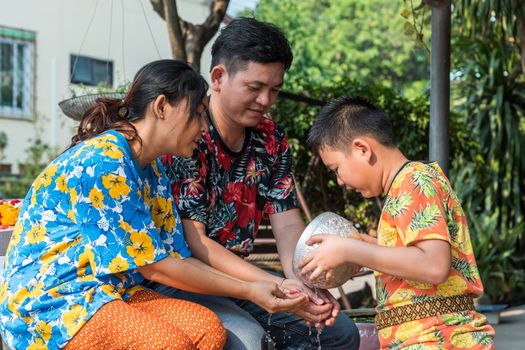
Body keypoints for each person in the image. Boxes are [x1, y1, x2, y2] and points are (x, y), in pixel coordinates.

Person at [0, 59, 308, 350]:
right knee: (169, 343)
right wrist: (248, 290)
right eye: (198, 113)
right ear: (161, 107)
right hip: (53, 303)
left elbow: (177, 258)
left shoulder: (154, 169)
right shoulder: (104, 161)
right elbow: (155, 266)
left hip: (112, 294)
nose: (203, 128)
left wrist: (263, 286)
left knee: (207, 330)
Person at [153, 18, 360, 349]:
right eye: (254, 87)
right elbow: (196, 243)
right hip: (182, 280)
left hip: (243, 277)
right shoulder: (188, 134)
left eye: (274, 90)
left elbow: (288, 222)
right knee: (249, 340)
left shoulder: (272, 138)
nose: (266, 100)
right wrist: (275, 284)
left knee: (339, 332)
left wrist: (302, 283)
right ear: (218, 78)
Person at [300, 96, 496, 349]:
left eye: (335, 168)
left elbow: (434, 265)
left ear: (362, 149)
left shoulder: (414, 181)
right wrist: (364, 249)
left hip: (439, 339)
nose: (339, 181)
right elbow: (411, 257)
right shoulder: (401, 190)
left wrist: (349, 249)